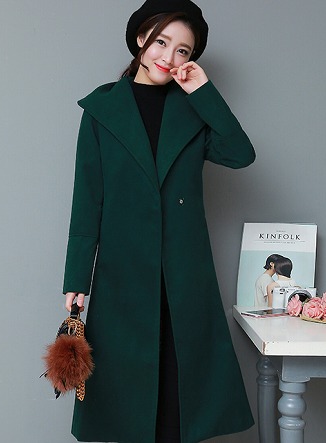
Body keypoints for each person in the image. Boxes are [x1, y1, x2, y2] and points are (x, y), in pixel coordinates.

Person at [62, 1, 256, 441]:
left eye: (183, 50)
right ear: (140, 39)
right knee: (128, 396)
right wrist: (76, 278)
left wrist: (203, 91)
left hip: (184, 274)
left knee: (179, 396)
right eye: (161, 42)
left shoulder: (193, 110)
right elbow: (87, 199)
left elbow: (240, 154)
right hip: (123, 274)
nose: (168, 57)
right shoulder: (101, 111)